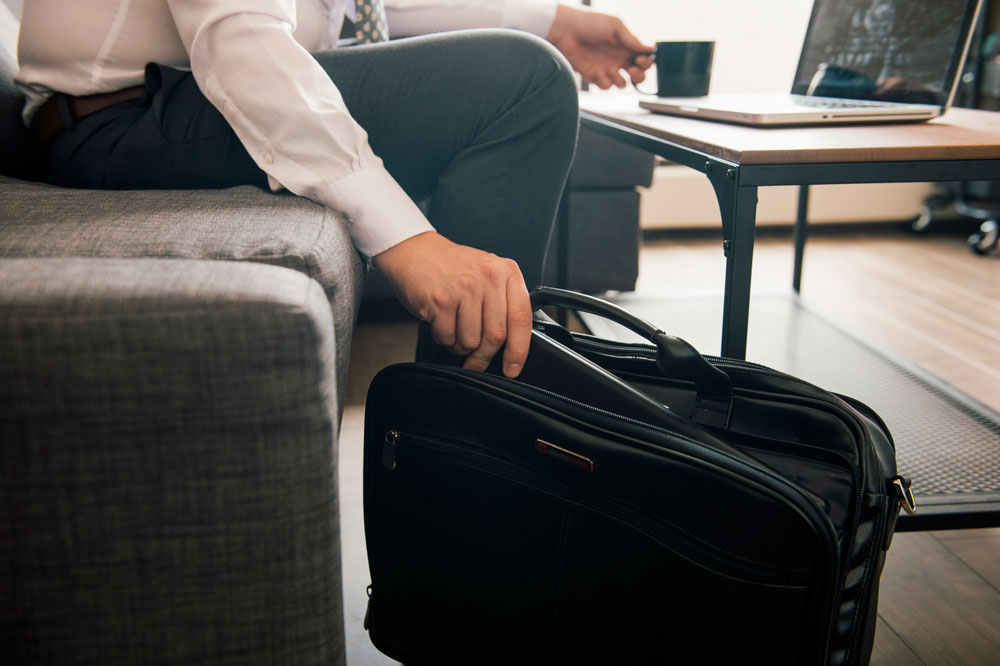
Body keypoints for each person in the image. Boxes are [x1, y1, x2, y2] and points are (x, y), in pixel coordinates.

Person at [15, 0, 652, 378]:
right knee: (524, 82)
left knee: (525, 69)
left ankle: (476, 455)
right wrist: (408, 241)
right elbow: (238, 35)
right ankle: (475, 465)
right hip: (118, 121)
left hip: (149, 107)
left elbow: (362, 9)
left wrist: (553, 20)